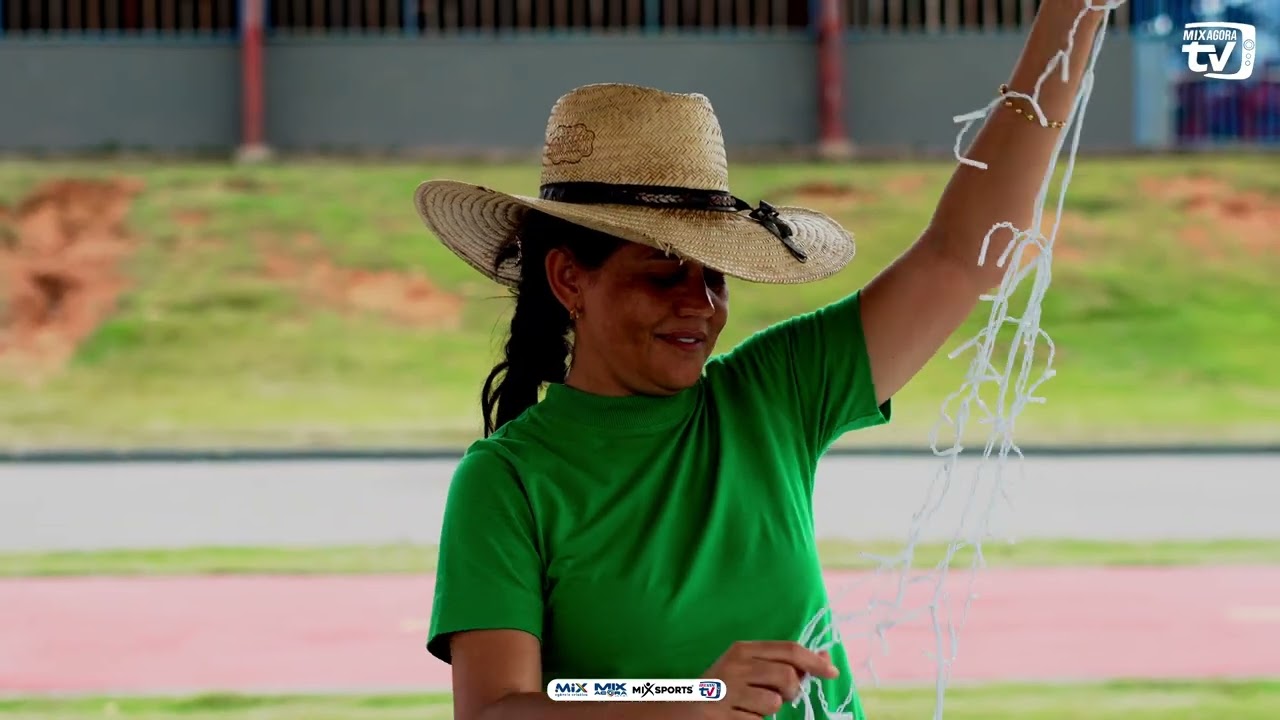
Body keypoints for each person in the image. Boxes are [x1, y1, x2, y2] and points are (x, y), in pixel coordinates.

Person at [413, 3, 1103, 718]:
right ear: (568, 281)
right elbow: (499, 707)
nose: (700, 303)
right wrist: (689, 698)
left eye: (714, 274)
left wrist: (1070, 18)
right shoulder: (507, 478)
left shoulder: (773, 397)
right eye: (663, 271)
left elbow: (961, 255)